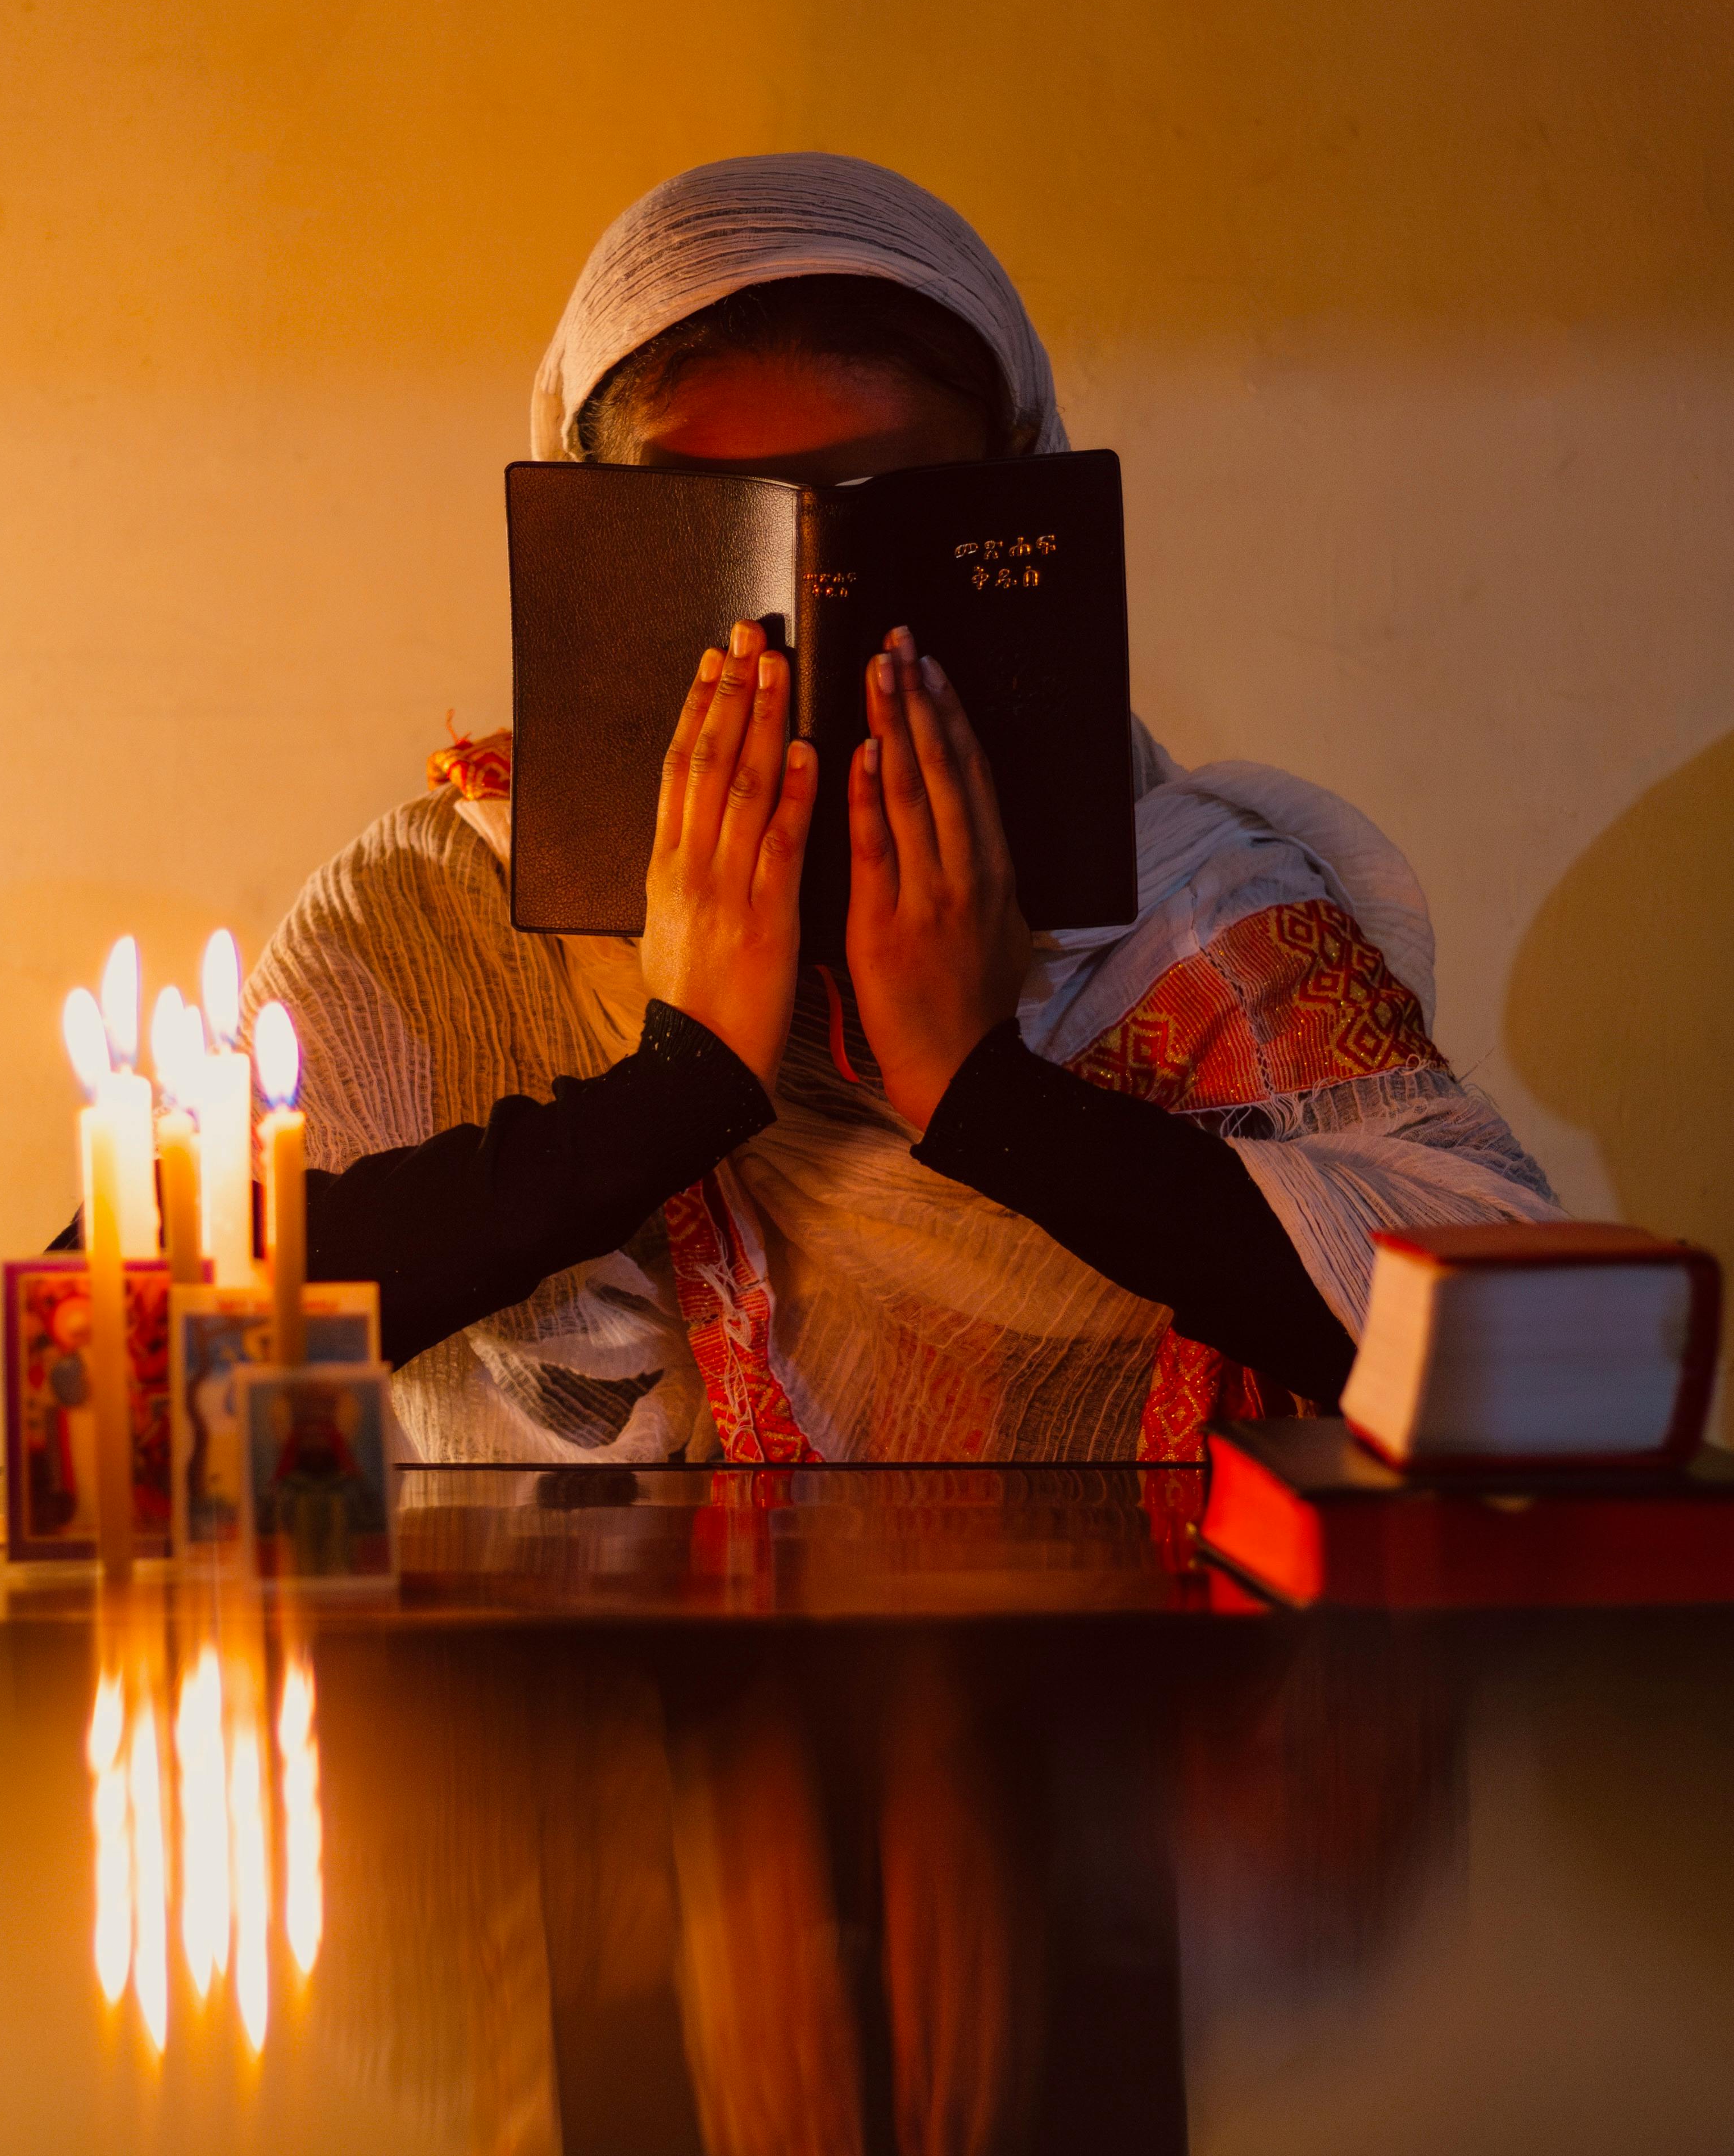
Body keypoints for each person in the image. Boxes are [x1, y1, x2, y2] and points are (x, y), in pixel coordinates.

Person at [247, 153, 1558, 1465]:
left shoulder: (1188, 904)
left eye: (894, 523)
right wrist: (676, 1086)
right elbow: (145, 1332)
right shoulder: (442, 910)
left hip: (1118, 1674)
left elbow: (1538, 1360)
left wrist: (980, 1089)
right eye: (701, 530)